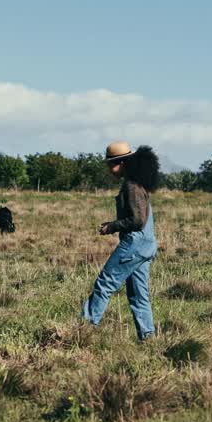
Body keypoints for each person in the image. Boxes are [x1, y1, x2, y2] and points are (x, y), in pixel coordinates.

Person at [82, 141, 160, 341]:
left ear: (123, 163)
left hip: (134, 245)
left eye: (112, 165)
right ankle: (148, 338)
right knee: (138, 295)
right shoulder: (139, 183)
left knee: (104, 284)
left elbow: (137, 220)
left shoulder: (131, 186)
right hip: (146, 245)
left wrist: (112, 226)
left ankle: (83, 332)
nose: (110, 170)